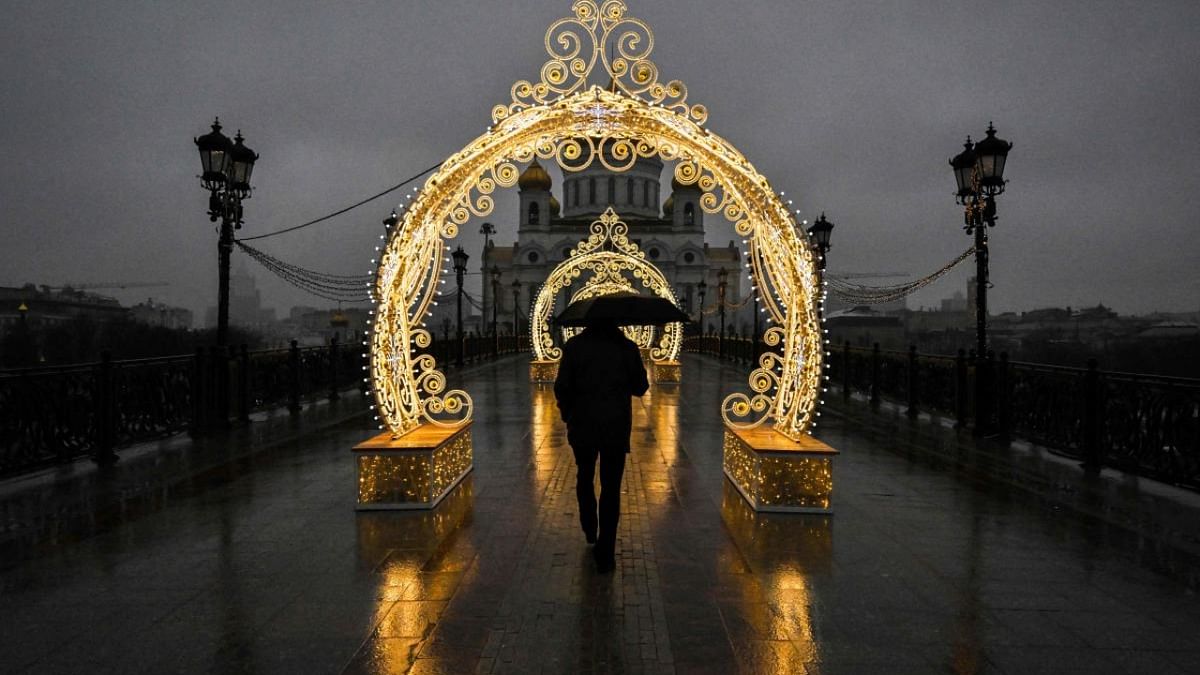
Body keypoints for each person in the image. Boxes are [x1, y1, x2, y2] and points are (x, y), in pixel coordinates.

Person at [553, 320, 649, 573]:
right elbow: (641, 387)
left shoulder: (575, 346)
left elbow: (562, 386)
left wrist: (567, 414)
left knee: (584, 474)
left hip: (582, 423)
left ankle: (588, 523)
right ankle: (606, 551)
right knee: (611, 487)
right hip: (616, 426)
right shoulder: (627, 347)